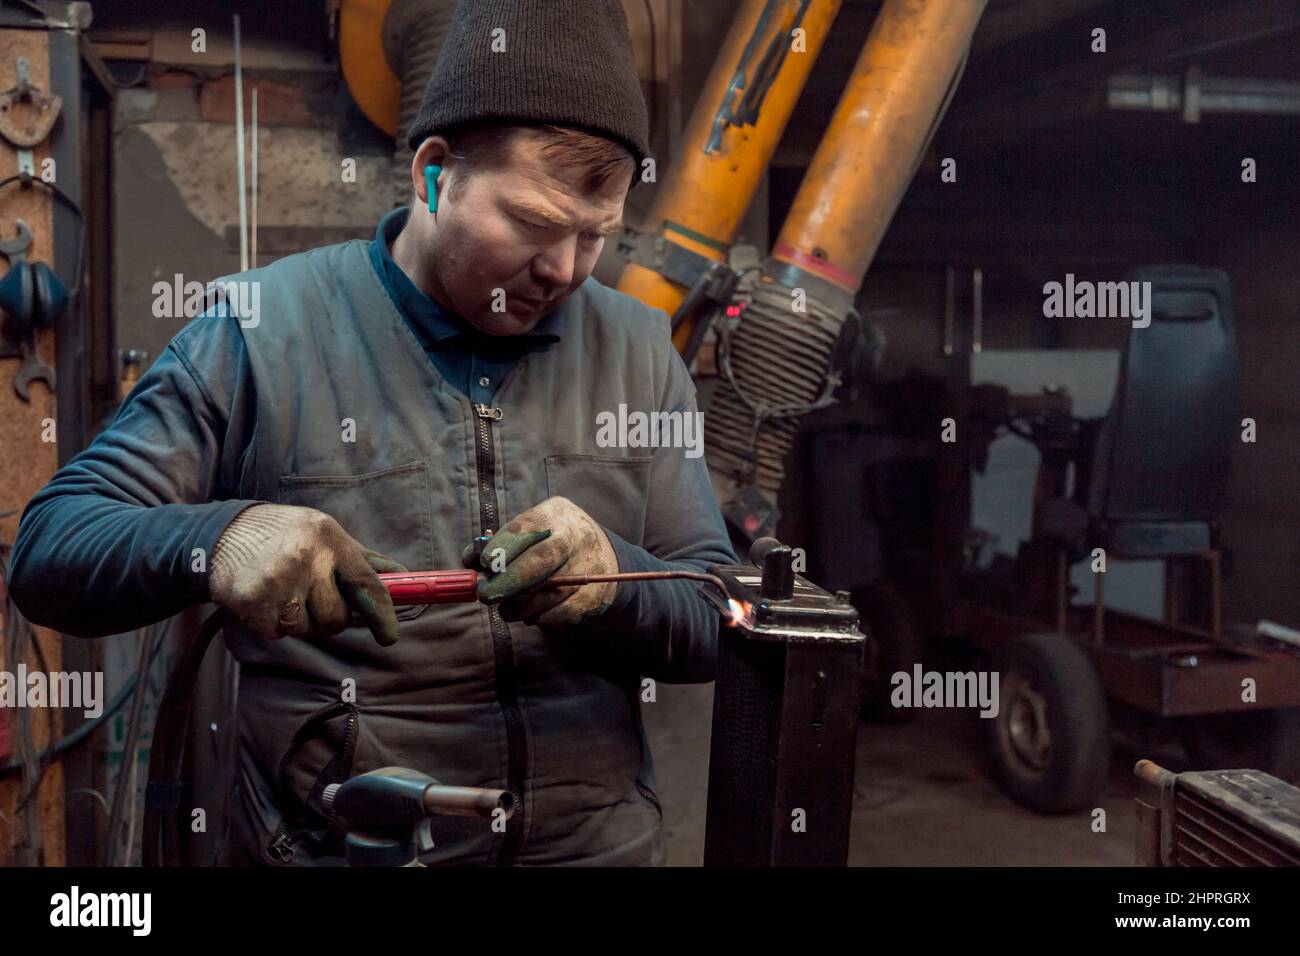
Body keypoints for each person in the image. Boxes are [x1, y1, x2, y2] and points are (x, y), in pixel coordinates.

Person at [7, 0, 736, 866]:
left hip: (594, 851)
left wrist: (618, 581)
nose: (566, 271)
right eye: (536, 225)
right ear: (432, 174)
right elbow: (51, 550)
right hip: (342, 847)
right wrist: (218, 537)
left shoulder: (639, 351)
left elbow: (716, 616)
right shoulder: (260, 331)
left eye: (596, 238)